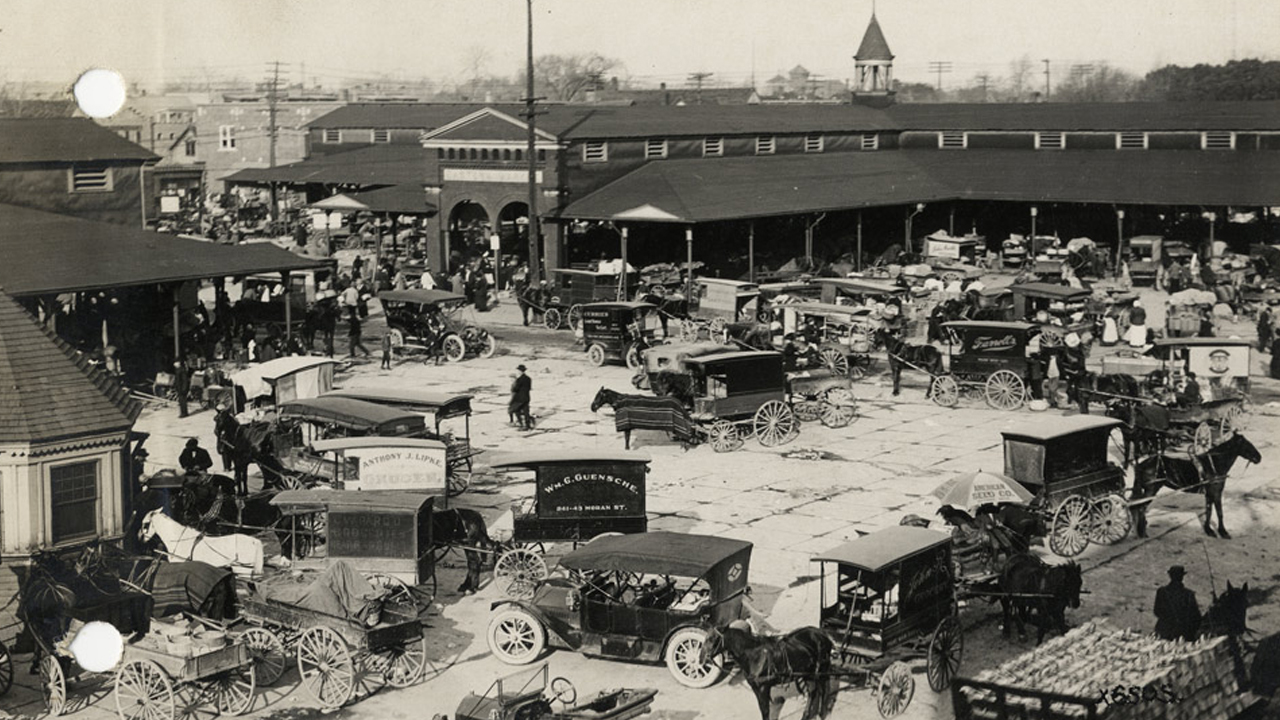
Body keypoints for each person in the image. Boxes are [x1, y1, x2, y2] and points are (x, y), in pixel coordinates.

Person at [1154, 565, 1201, 641]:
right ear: (1182, 577)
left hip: (1164, 632)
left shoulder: (1161, 592)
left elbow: (1157, 611)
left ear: (1170, 576)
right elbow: (1196, 617)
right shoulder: (1189, 594)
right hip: (1183, 634)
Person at [510, 364, 533, 430]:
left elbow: (516, 389)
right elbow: (529, 388)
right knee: (526, 412)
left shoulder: (519, 380)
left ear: (520, 371)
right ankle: (527, 425)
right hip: (527, 397)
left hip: (520, 398)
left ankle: (521, 424)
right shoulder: (528, 378)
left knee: (516, 410)